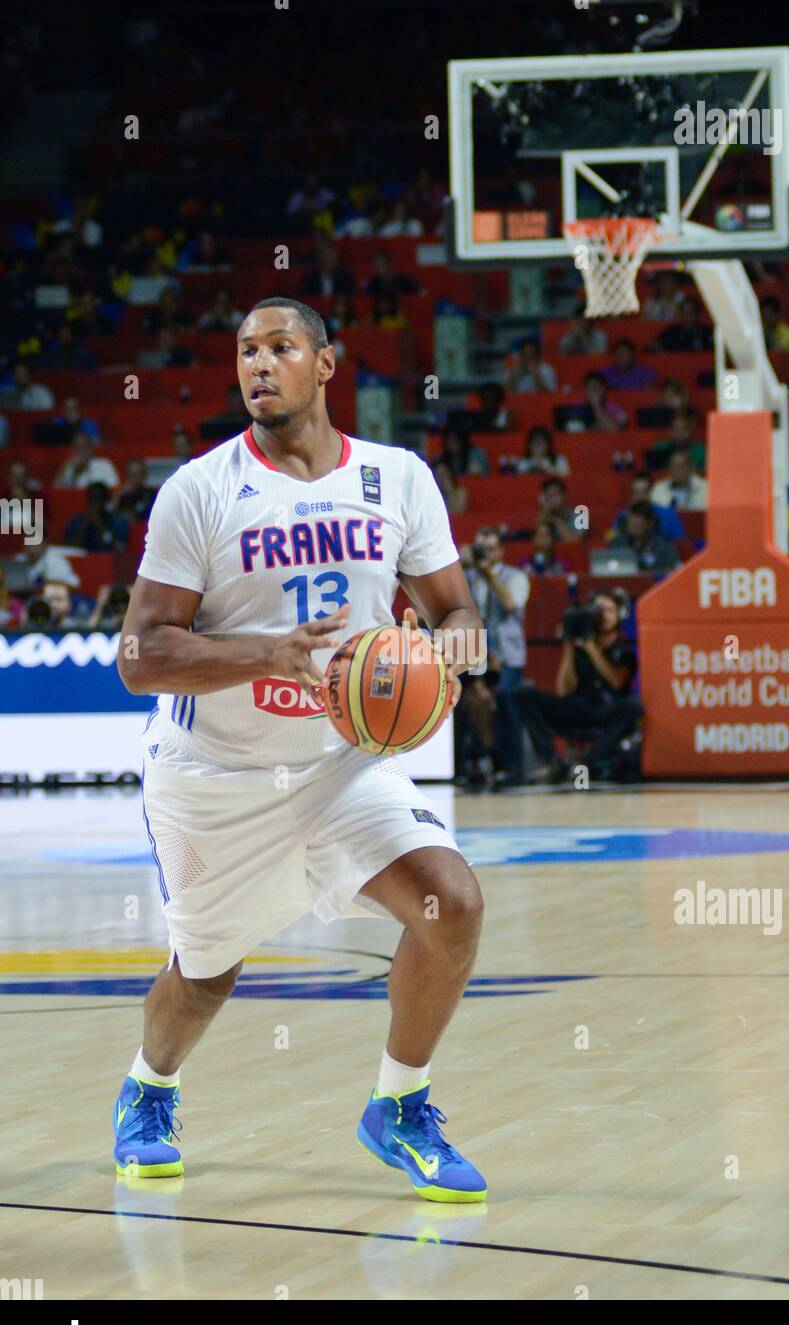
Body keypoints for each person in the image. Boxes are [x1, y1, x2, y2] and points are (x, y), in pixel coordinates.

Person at [113, 296, 488, 1202]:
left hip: (339, 765)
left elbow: (455, 610)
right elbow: (139, 655)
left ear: (325, 365)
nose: (257, 364)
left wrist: (451, 656)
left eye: (280, 346)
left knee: (452, 904)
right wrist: (269, 653)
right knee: (206, 976)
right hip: (217, 779)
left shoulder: (398, 478)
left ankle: (399, 1107)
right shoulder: (199, 491)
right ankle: (147, 1091)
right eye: (245, 349)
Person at [509, 591, 640, 783]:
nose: (603, 615)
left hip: (607, 709)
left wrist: (591, 648)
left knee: (633, 706)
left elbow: (617, 682)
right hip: (578, 706)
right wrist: (569, 648)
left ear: (619, 614)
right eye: (599, 610)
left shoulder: (624, 650)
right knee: (523, 694)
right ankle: (552, 761)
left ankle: (589, 763)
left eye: (609, 610)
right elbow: (564, 689)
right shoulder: (578, 646)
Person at [457, 528, 529, 788]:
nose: (484, 554)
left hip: (508, 656)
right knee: (463, 696)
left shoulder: (515, 576)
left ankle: (509, 764)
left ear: (500, 552)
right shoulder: (467, 576)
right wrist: (456, 566)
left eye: (489, 549)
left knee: (505, 697)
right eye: (480, 548)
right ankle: (469, 761)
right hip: (475, 654)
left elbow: (511, 604)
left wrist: (487, 573)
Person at [609, 471, 684, 543]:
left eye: (644, 492)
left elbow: (679, 542)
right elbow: (610, 538)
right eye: (636, 492)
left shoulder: (668, 515)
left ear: (651, 492)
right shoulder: (623, 516)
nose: (640, 497)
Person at [610, 500, 680, 572]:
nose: (632, 528)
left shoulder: (663, 548)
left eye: (637, 526)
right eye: (630, 524)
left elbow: (674, 569)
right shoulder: (618, 544)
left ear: (649, 523)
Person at [63, 482, 130, 552]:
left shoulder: (117, 521)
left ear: (105, 500)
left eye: (98, 498)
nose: (95, 502)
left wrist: (100, 526)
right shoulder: (76, 521)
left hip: (106, 560)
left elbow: (119, 549)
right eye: (92, 498)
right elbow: (69, 549)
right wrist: (84, 524)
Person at [53, 432, 119, 489]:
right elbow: (56, 492)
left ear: (92, 449)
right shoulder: (68, 466)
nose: (80, 451)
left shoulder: (104, 464)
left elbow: (113, 489)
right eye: (77, 447)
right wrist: (65, 466)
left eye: (84, 447)